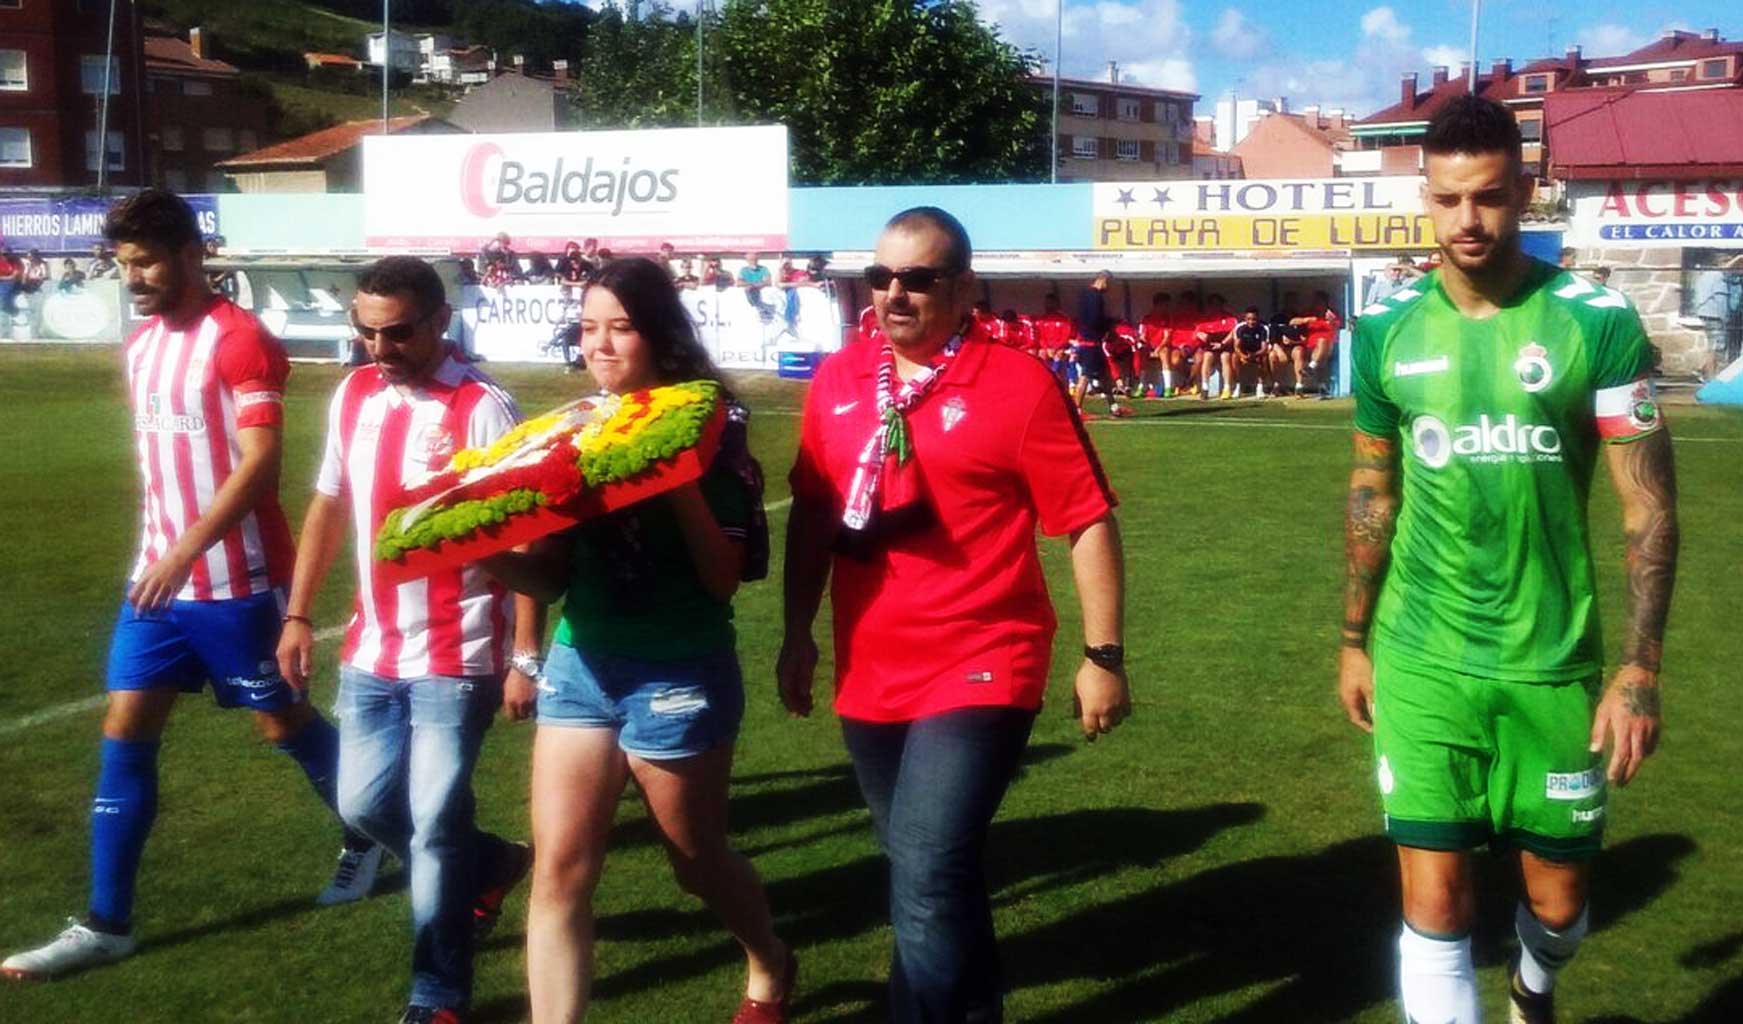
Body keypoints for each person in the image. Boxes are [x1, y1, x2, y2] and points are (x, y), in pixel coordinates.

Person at [1339, 95, 1679, 1024]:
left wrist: (1638, 668)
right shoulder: (1383, 329)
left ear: (1524, 191)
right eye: (1446, 201)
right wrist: (1352, 638)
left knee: (1558, 909)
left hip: (1550, 662)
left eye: (1487, 198)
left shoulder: (1596, 322)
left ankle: (1536, 982)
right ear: (1425, 196)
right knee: (1434, 902)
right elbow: (1373, 493)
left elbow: (1647, 506)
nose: (1466, 222)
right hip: (1422, 658)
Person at [0, 190, 378, 982]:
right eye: (124, 263)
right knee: (125, 724)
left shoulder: (241, 342)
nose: (132, 277)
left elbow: (259, 465)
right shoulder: (139, 346)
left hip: (234, 579)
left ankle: (370, 829)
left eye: (146, 261)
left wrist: (184, 553)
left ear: (190, 253)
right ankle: (108, 923)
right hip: (156, 583)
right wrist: (159, 558)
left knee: (282, 726)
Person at [779, 207, 1131, 1023]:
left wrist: (1102, 654)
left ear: (965, 288)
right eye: (880, 277)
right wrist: (797, 632)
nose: (894, 295)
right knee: (927, 868)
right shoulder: (836, 379)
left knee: (928, 867)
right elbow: (810, 516)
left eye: (919, 278)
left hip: (984, 658)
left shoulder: (1015, 383)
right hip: (870, 666)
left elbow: (1084, 517)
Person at [474, 257, 792, 1023]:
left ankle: (769, 962)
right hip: (581, 666)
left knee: (695, 862)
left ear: (659, 336)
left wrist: (670, 473)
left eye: (621, 327)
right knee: (559, 871)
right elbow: (550, 579)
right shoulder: (573, 428)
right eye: (589, 328)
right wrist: (481, 551)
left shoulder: (711, 428)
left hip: (677, 668)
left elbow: (723, 578)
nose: (602, 345)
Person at [276, 256, 532, 1023]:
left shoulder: (484, 406)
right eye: (366, 331)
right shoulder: (352, 392)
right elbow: (327, 505)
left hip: (458, 656)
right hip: (371, 650)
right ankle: (494, 863)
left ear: (439, 322)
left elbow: (526, 536)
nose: (380, 348)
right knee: (360, 804)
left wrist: (524, 655)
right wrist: (296, 614)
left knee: (431, 830)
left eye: (398, 333)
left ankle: (439, 994)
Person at [1072, 271, 1130, 418]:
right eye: (1109, 284)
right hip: (1090, 342)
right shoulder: (1095, 296)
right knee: (1085, 376)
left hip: (1090, 341)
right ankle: (1076, 411)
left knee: (1104, 376)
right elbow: (1094, 319)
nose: (1109, 288)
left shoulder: (1084, 294)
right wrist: (1108, 324)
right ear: (1103, 280)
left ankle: (1114, 407)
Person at [1291, 290, 1342, 395]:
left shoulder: (1332, 315)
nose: (1317, 305)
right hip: (1310, 348)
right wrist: (1306, 320)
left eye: (1320, 302)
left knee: (1322, 342)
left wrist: (1332, 321)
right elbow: (1292, 322)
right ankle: (1299, 386)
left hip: (1328, 348)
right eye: (1316, 302)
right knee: (1297, 350)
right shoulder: (1310, 314)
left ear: (1326, 303)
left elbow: (1338, 329)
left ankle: (1312, 369)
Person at [1193, 293, 1238, 400]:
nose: (1215, 306)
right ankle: (1205, 388)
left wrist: (1222, 344)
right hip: (1210, 346)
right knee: (1207, 357)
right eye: (1212, 304)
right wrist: (1200, 335)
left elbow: (1233, 333)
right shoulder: (1205, 318)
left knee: (1225, 357)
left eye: (1218, 304)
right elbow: (1196, 333)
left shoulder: (1229, 317)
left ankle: (1227, 388)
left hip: (1225, 345)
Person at [1230, 306, 1272, 398]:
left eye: (1254, 319)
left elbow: (1264, 348)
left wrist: (1254, 355)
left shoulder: (1264, 328)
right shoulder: (1240, 328)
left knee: (1264, 358)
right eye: (1248, 319)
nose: (1251, 322)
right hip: (1244, 352)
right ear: (1245, 319)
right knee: (1234, 357)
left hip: (1258, 353)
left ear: (1258, 318)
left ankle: (1260, 387)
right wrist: (1242, 356)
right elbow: (1236, 346)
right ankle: (1237, 386)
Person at [1139, 292, 1173, 396]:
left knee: (1164, 352)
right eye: (1164, 305)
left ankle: (1168, 388)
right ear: (1157, 305)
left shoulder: (1167, 318)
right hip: (1150, 346)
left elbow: (1167, 337)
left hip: (1162, 346)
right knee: (1142, 354)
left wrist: (1157, 349)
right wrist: (1147, 346)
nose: (1166, 308)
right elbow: (1142, 336)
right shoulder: (1146, 319)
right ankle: (1141, 386)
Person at [1034, 293, 1074, 378]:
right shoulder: (1042, 319)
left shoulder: (1064, 319)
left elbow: (1066, 337)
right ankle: (1043, 377)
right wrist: (1047, 348)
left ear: (1057, 304)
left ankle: (1056, 378)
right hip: (1047, 348)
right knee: (1041, 354)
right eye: (1047, 303)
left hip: (1060, 348)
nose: (1049, 305)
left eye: (1052, 303)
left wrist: (1055, 348)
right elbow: (1040, 337)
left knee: (1059, 355)